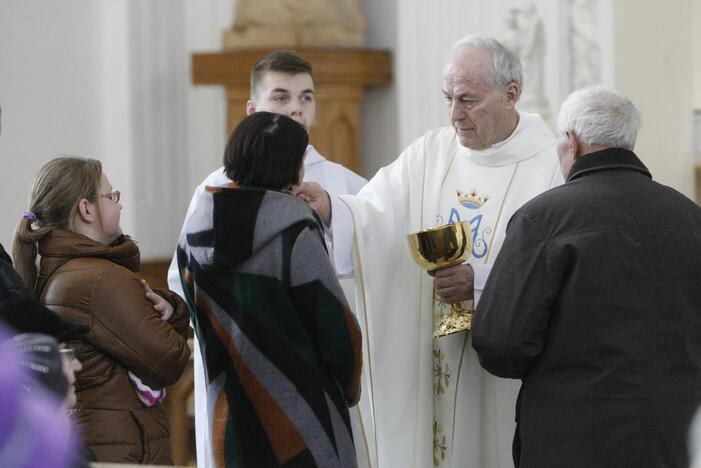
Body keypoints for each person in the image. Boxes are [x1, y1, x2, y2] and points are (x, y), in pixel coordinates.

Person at [297, 35, 562, 467]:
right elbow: (375, 215)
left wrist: (483, 279)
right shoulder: (430, 153)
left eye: (469, 100)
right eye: (449, 99)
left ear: (511, 94)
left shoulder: (549, 165)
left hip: (502, 373)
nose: (455, 115)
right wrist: (331, 208)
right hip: (430, 352)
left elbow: (555, 267)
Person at [472, 86, 701, 468]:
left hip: (570, 439)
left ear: (571, 143)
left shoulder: (541, 219)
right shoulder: (691, 219)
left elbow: (501, 344)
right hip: (673, 438)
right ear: (629, 142)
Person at [167, 49, 367, 467]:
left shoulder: (345, 184)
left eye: (306, 97)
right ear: (252, 108)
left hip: (237, 399)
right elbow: (331, 319)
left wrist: (338, 210)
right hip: (304, 397)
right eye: (281, 97)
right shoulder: (231, 195)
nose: (295, 108)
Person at [12, 157, 191, 464]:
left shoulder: (62, 270)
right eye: (111, 196)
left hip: (99, 437)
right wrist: (175, 314)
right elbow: (171, 359)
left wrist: (170, 309)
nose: (119, 204)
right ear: (86, 209)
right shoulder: (99, 280)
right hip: (120, 448)